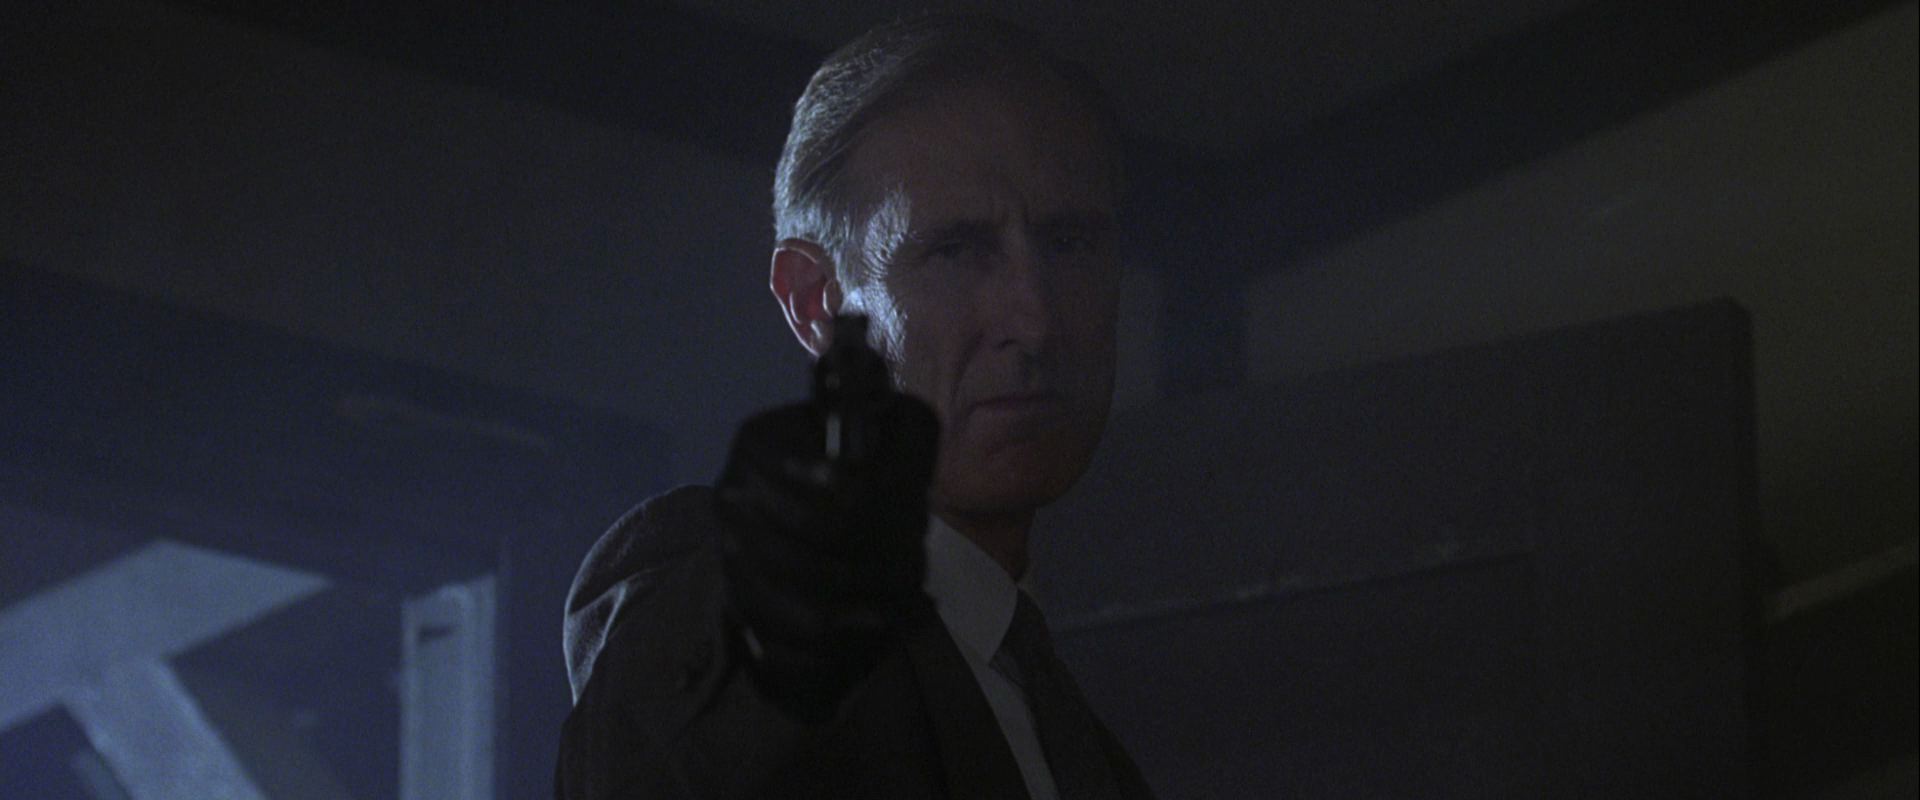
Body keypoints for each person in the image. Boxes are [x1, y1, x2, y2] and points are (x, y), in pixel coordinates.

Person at [555, 13, 1153, 800]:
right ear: (816, 302)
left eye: (1070, 243)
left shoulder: (1067, 728)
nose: (1034, 319)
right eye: (955, 251)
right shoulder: (741, 624)